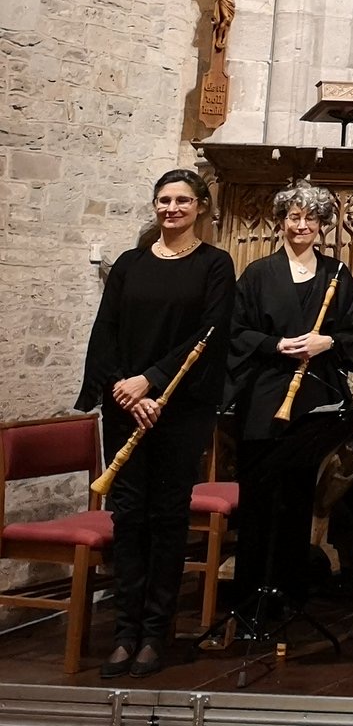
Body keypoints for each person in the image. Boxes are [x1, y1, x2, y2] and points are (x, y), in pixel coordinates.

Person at [76, 169, 236, 678]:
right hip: (126, 407)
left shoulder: (215, 265)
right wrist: (126, 387)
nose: (172, 208)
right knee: (129, 518)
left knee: (167, 518)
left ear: (201, 207)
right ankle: (124, 633)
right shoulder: (129, 264)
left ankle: (154, 633)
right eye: (164, 200)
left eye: (183, 200)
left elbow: (210, 335)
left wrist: (153, 381)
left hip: (180, 409)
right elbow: (107, 333)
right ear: (155, 206)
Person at [225, 179, 353, 626]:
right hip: (265, 397)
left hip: (312, 402)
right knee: (260, 501)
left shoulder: (337, 275)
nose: (300, 225)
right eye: (293, 217)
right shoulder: (258, 274)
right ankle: (250, 600)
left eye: (310, 218)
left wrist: (326, 342)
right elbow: (236, 332)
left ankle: (290, 597)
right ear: (281, 222)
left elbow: (350, 334)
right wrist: (275, 345)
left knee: (297, 500)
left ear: (322, 225)